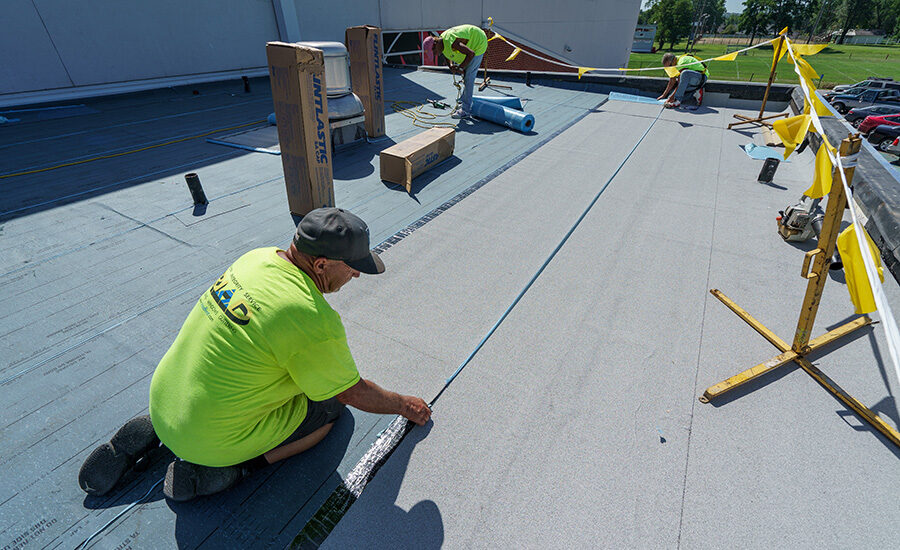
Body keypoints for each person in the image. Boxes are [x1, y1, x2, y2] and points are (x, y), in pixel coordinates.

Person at [78, 207, 432, 501]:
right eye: (353, 266)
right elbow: (351, 392)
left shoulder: (257, 258)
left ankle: (165, 428)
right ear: (322, 265)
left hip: (161, 398)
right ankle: (234, 469)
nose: (357, 273)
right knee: (330, 409)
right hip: (209, 439)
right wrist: (405, 405)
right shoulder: (310, 317)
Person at [423, 24, 488, 119]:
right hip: (469, 47)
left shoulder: (452, 42)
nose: (435, 55)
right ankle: (463, 99)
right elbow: (445, 54)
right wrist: (451, 66)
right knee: (465, 75)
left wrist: (460, 68)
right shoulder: (441, 44)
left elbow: (471, 54)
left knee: (469, 77)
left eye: (434, 52)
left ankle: (466, 110)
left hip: (479, 42)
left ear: (435, 44)